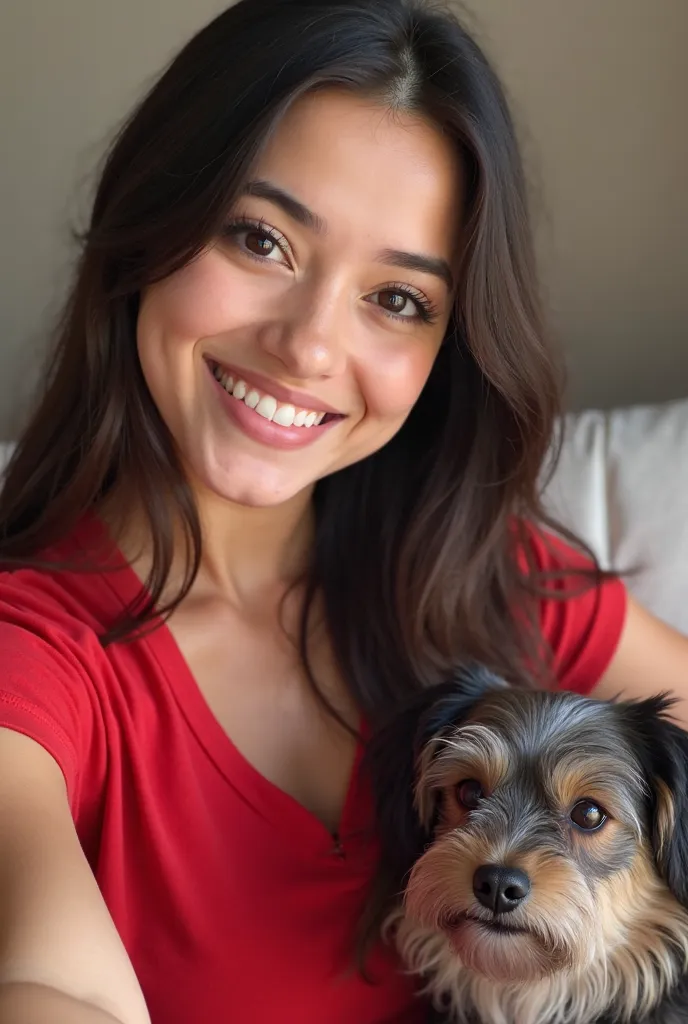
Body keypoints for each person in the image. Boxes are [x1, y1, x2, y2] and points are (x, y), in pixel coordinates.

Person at [0, 1, 686, 1021]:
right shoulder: (37, 649)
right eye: (260, 238)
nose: (310, 346)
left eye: (397, 298)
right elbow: (47, 983)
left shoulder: (475, 564)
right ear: (151, 222)